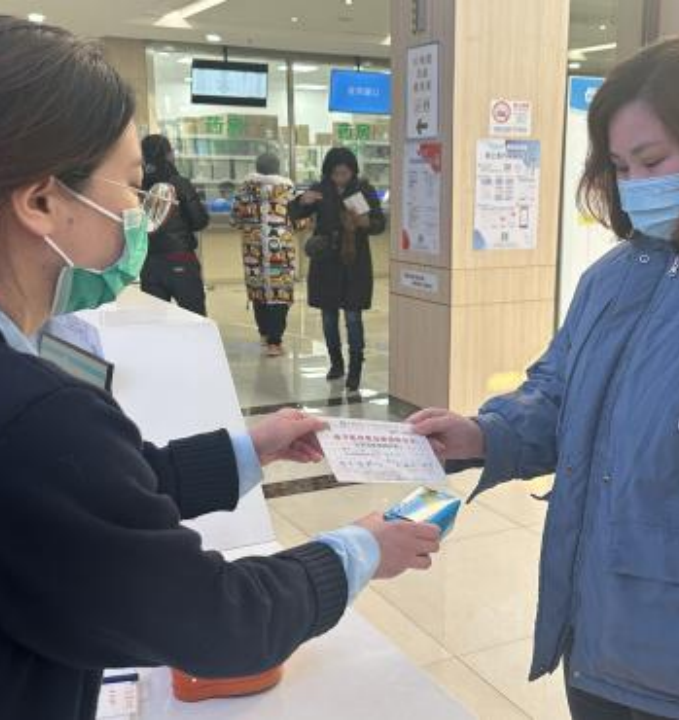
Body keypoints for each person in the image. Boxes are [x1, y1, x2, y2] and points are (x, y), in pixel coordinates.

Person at [0, 17, 440, 720]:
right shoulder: (35, 411)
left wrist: (249, 449)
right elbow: (219, 622)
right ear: (41, 201)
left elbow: (96, 496)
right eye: (133, 187)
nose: (141, 213)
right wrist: (362, 547)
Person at [411, 36, 679, 720]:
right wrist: (483, 434)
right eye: (620, 167)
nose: (636, 185)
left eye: (653, 162)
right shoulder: (612, 278)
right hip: (594, 637)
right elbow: (556, 391)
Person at [290, 147, 386, 392]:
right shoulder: (320, 189)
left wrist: (365, 222)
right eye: (335, 174)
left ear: (352, 171)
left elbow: (379, 224)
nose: (340, 178)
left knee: (353, 317)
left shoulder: (363, 190)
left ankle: (355, 369)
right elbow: (295, 213)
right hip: (326, 263)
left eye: (344, 173)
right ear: (328, 172)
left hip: (355, 262)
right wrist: (301, 201)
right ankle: (336, 362)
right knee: (328, 317)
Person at [232, 153, 296, 357]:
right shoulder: (288, 191)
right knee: (279, 294)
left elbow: (235, 220)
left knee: (258, 292)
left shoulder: (244, 190)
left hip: (254, 252)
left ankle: (265, 334)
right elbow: (300, 220)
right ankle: (275, 342)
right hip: (281, 252)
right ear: (278, 168)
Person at [140, 134, 209, 316]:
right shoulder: (179, 183)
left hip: (148, 262)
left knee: (156, 322)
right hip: (180, 259)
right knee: (194, 319)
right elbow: (199, 221)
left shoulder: (138, 185)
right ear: (168, 154)